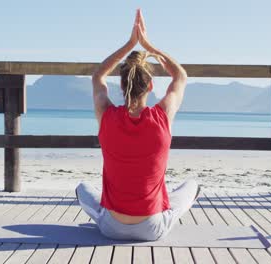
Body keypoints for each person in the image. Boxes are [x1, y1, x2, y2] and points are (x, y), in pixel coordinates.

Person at [75, 9, 200, 241]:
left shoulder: (107, 115)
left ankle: (107, 214)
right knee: (191, 186)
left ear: (121, 86)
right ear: (151, 86)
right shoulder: (162, 117)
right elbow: (180, 76)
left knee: (82, 188)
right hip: (152, 227)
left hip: (111, 226)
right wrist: (149, 46)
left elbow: (97, 77)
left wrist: (129, 44)